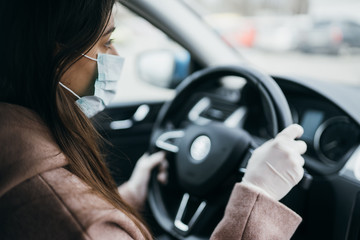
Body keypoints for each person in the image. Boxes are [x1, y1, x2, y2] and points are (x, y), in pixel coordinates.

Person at [0, 0, 306, 239]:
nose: (117, 56)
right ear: (54, 57)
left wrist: (129, 198)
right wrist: (258, 195)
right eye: (106, 43)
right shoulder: (79, 223)